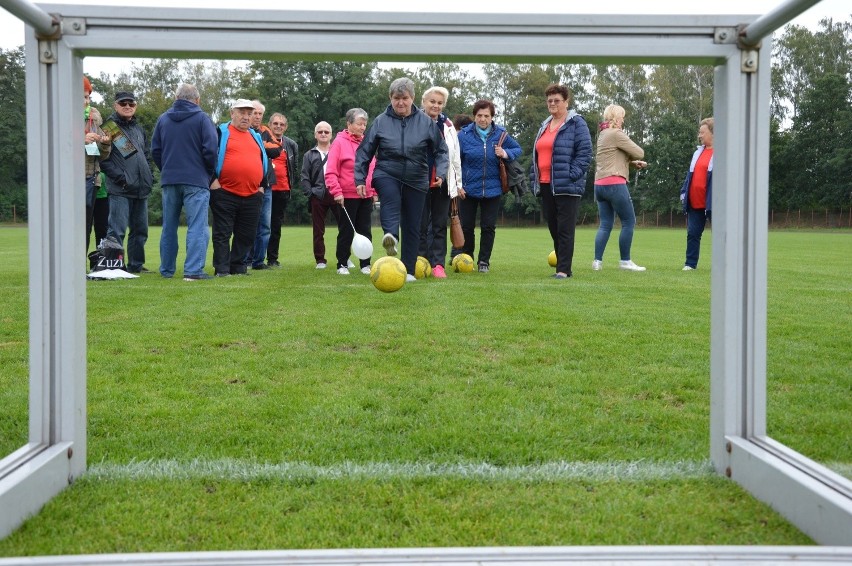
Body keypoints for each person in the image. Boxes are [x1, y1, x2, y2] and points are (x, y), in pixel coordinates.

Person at [355, 77, 448, 281]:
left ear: (412, 98)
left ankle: (409, 271)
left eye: (404, 98)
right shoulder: (380, 121)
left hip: (417, 177)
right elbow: (364, 151)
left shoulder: (426, 122)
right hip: (386, 171)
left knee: (413, 224)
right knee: (390, 198)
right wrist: (360, 178)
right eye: (396, 98)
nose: (400, 103)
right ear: (390, 98)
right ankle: (391, 236)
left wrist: (441, 173)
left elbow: (441, 150)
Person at [151, 83, 218, 281]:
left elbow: (156, 150)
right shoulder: (202, 119)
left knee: (168, 226)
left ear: (176, 97)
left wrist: (167, 169)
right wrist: (208, 173)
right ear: (197, 100)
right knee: (197, 225)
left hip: (170, 179)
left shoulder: (163, 119)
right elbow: (211, 150)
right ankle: (193, 270)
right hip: (196, 180)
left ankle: (167, 270)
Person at [530, 84, 592, 279]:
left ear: (566, 102)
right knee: (554, 227)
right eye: (549, 100)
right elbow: (537, 153)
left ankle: (564, 270)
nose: (552, 103)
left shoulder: (576, 123)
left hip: (567, 185)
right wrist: (536, 177)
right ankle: (562, 266)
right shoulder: (545, 125)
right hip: (546, 184)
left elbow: (585, 153)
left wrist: (571, 174)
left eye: (557, 100)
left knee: (565, 228)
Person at [456, 99, 521, 273]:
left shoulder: (501, 134)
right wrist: (458, 185)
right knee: (466, 227)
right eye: (479, 115)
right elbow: (455, 161)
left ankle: (484, 261)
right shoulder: (463, 135)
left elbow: (518, 149)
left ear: (492, 117)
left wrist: (505, 153)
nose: (483, 119)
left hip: (493, 189)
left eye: (486, 116)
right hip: (468, 189)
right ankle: (467, 258)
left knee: (488, 227)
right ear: (474, 116)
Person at [209, 99, 267, 277]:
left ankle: (238, 267)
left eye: (249, 113)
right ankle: (222, 269)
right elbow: (208, 156)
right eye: (242, 112)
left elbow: (264, 161)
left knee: (246, 234)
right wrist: (213, 182)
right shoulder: (220, 132)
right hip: (224, 192)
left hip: (252, 194)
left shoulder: (255, 136)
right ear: (232, 113)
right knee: (222, 233)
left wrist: (262, 186)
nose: (246, 116)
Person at [99, 90, 154, 273]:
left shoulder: (138, 128)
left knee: (140, 231)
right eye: (123, 104)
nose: (128, 107)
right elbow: (104, 160)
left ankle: (136, 265)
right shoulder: (110, 127)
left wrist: (149, 176)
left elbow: (145, 155)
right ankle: (113, 266)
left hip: (141, 187)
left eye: (131, 104)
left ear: (135, 106)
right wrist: (121, 178)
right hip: (121, 189)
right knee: (117, 230)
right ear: (115, 106)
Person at [592, 104, 648, 272]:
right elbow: (640, 152)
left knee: (605, 224)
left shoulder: (602, 135)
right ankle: (625, 261)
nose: (623, 120)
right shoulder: (616, 133)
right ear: (616, 118)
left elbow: (612, 158)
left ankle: (597, 262)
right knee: (628, 221)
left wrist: (630, 163)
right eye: (622, 116)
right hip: (615, 184)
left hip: (599, 185)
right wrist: (634, 158)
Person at [326, 108, 377, 275]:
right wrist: (337, 191)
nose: (362, 127)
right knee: (347, 231)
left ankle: (365, 264)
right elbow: (331, 171)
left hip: (365, 194)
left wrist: (374, 189)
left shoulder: (367, 143)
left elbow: (372, 167)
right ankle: (342, 264)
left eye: (364, 124)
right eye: (359, 124)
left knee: (365, 229)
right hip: (347, 195)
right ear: (349, 124)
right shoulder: (339, 142)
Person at [418, 86, 463, 279]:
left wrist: (458, 183)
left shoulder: (449, 126)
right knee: (419, 225)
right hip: (418, 182)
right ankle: (420, 261)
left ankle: (437, 264)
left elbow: (455, 157)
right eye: (432, 101)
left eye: (439, 103)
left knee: (438, 225)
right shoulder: (413, 122)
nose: (435, 105)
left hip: (443, 183)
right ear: (423, 102)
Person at [301, 121, 340, 269]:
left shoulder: (338, 152)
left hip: (337, 194)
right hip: (318, 195)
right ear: (315, 134)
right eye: (320, 132)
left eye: (326, 132)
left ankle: (344, 258)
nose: (323, 134)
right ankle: (320, 260)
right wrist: (310, 194)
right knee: (318, 230)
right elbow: (304, 177)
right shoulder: (309, 155)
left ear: (331, 134)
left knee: (345, 229)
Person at [246, 100, 279, 270]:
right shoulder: (242, 131)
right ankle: (246, 260)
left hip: (266, 184)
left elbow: (277, 149)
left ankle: (258, 261)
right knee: (248, 223)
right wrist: (261, 146)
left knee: (265, 225)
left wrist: (258, 144)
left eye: (260, 114)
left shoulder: (265, 131)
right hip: (247, 184)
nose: (257, 116)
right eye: (254, 113)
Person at [264, 112, 299, 268]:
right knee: (260, 224)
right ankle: (252, 258)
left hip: (282, 189)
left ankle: (272, 258)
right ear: (270, 125)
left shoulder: (291, 144)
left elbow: (294, 167)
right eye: (275, 123)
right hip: (264, 188)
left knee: (275, 226)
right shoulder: (262, 140)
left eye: (282, 124)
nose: (278, 126)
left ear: (286, 127)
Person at [680, 117, 714, 271]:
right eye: (699, 132)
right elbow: (690, 176)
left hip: (714, 203)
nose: (699, 135)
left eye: (702, 132)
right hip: (695, 202)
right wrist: (683, 192)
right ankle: (690, 264)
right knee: (693, 234)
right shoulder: (697, 153)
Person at [83, 75, 111, 254]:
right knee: (72, 226)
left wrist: (106, 143)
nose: (86, 101)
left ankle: (80, 267)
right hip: (67, 180)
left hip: (91, 179)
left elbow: (100, 156)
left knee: (85, 226)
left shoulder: (94, 120)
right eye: (82, 96)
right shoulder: (57, 116)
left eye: (87, 97)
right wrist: (81, 140)